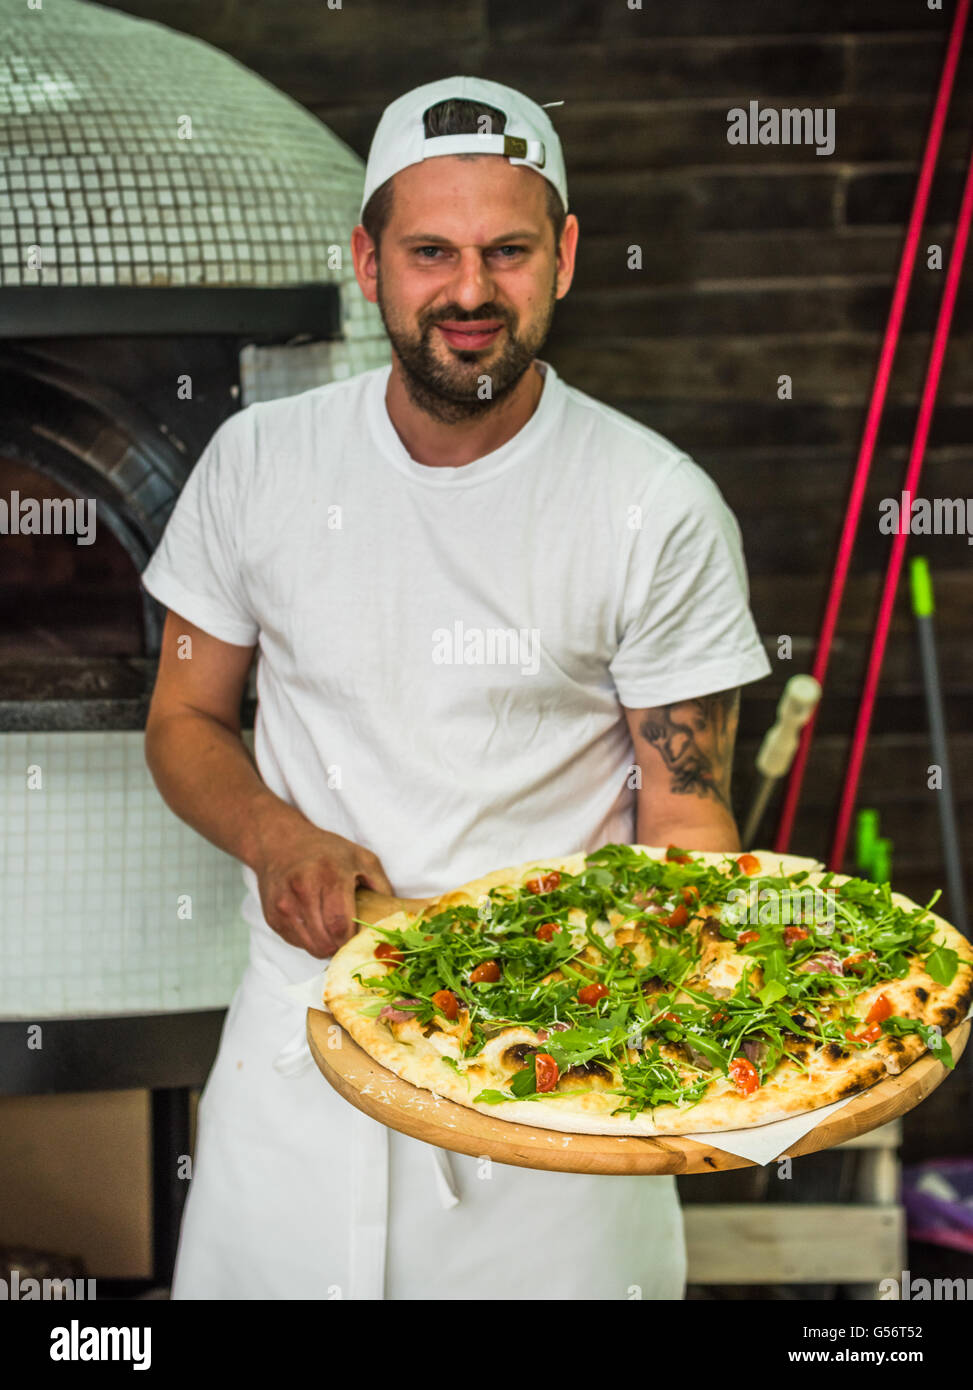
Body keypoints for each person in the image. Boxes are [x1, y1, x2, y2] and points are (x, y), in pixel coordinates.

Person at [141, 75, 771, 1300]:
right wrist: (278, 838)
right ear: (368, 260)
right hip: (300, 1063)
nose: (470, 292)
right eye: (431, 251)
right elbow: (183, 715)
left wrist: (675, 1030)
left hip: (553, 1087)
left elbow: (687, 822)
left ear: (567, 255)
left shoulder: (655, 504)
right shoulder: (260, 463)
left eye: (507, 251)